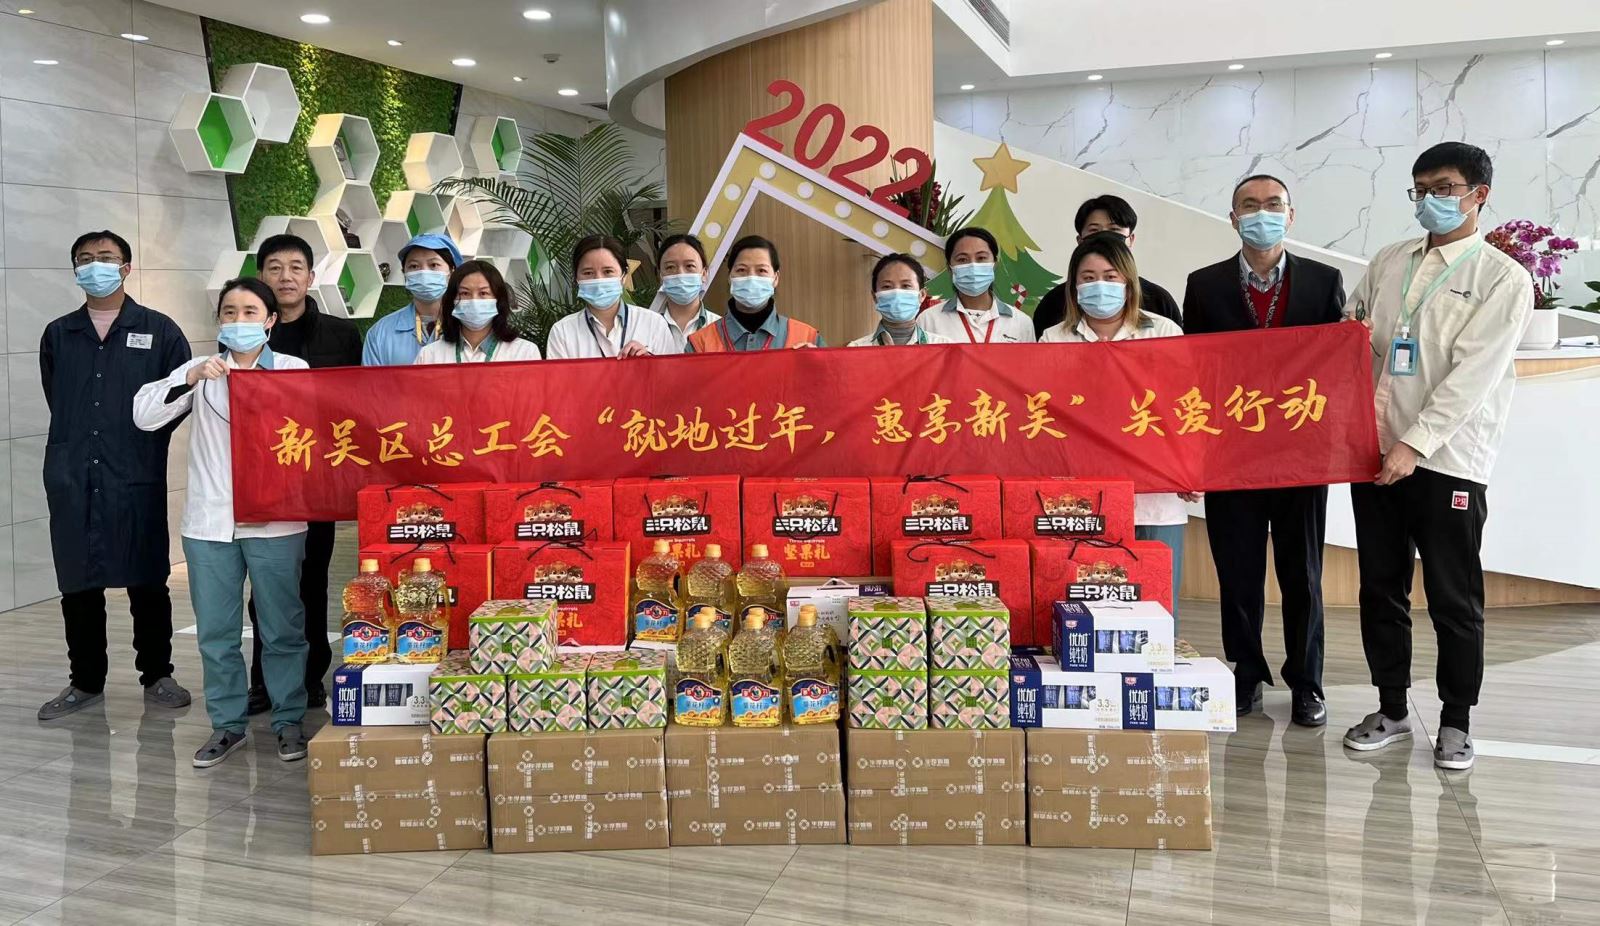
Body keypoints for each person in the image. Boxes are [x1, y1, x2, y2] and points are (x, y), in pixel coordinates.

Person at [1341, 142, 1532, 771]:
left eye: (1444, 188)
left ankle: (1456, 722)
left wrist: (1414, 444)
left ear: (1479, 195)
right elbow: (1352, 334)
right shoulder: (1390, 260)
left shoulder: (1503, 278)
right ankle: (1391, 708)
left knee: (1453, 597)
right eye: (1420, 189)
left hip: (1448, 461)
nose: (1430, 200)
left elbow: (1473, 378)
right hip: (1374, 454)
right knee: (1380, 588)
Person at [1182, 174, 1345, 726]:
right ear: (1233, 219)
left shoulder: (1324, 281)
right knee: (1238, 572)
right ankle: (1246, 672)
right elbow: (1194, 373)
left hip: (1302, 454)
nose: (1261, 214)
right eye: (1249, 206)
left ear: (1290, 215)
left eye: (1273, 204)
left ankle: (1307, 682)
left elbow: (1335, 368)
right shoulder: (1204, 285)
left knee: (1303, 574)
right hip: (1232, 454)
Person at [133, 277, 311, 768]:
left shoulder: (293, 370)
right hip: (210, 523)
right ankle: (228, 724)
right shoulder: (201, 370)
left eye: (250, 312)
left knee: (282, 627)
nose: (238, 321)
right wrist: (191, 378)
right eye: (229, 312)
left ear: (270, 321)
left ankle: (288, 719)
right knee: (216, 631)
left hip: (276, 521)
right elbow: (144, 415)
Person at [36, 230, 193, 721]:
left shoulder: (159, 330)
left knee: (148, 578)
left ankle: (158, 674)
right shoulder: (59, 334)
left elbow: (178, 399)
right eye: (85, 258)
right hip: (73, 475)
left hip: (134, 472)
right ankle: (85, 681)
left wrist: (137, 444)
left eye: (105, 257)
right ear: (74, 269)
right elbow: (58, 396)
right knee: (78, 581)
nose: (95, 265)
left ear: (126, 267)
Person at [1040, 233, 1193, 619]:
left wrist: (1191, 470)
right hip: (1079, 496)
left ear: (1129, 281)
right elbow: (1044, 419)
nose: (1100, 286)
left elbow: (1186, 410)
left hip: (1155, 498)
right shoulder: (1054, 339)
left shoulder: (1163, 332)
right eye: (1088, 278)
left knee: (1155, 613)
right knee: (1085, 607)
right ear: (1074, 286)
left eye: (1110, 277)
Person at [243, 234, 362, 717]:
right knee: (265, 584)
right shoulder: (246, 332)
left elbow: (357, 405)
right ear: (261, 276)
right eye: (274, 267)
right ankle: (262, 680)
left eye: (296, 267)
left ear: (311, 277)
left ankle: (311, 677)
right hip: (263, 478)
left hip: (317, 478)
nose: (285, 277)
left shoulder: (341, 335)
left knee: (311, 578)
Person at [1033, 194, 1183, 334]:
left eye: (1114, 230)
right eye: (1094, 230)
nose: (1105, 238)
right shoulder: (1054, 303)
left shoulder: (1159, 301)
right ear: (1080, 241)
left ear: (1130, 240)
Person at [545, 235, 677, 358]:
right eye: (588, 273)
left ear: (624, 276)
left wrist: (650, 362)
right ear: (576, 279)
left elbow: (670, 373)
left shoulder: (653, 323)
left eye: (608, 271)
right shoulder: (562, 331)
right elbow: (559, 376)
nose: (598, 280)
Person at [687, 235, 823, 351]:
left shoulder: (807, 337)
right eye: (741, 270)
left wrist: (818, 362)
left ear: (776, 278)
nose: (751, 278)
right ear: (729, 277)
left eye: (761, 270)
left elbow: (830, 373)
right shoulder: (700, 344)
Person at [916, 227, 1036, 343]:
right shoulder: (928, 320)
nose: (973, 265)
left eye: (981, 258)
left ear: (994, 264)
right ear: (950, 268)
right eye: (962, 259)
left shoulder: (1021, 323)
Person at [361, 233, 463, 365]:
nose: (424, 273)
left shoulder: (469, 327)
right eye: (414, 266)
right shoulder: (380, 333)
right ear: (404, 273)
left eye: (434, 265)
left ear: (452, 271)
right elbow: (371, 378)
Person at [415, 260, 544, 363]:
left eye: (483, 293)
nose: (474, 300)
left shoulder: (524, 353)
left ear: (499, 300)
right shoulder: (430, 355)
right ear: (451, 300)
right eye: (465, 293)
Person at [849, 252, 955, 346]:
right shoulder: (856, 349)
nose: (896, 293)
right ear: (875, 296)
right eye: (887, 286)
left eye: (906, 286)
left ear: (922, 295)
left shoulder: (945, 347)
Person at [654, 232, 720, 351]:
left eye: (689, 266)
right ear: (661, 276)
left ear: (704, 274)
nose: (680, 273)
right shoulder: (645, 327)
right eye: (670, 267)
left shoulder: (720, 328)